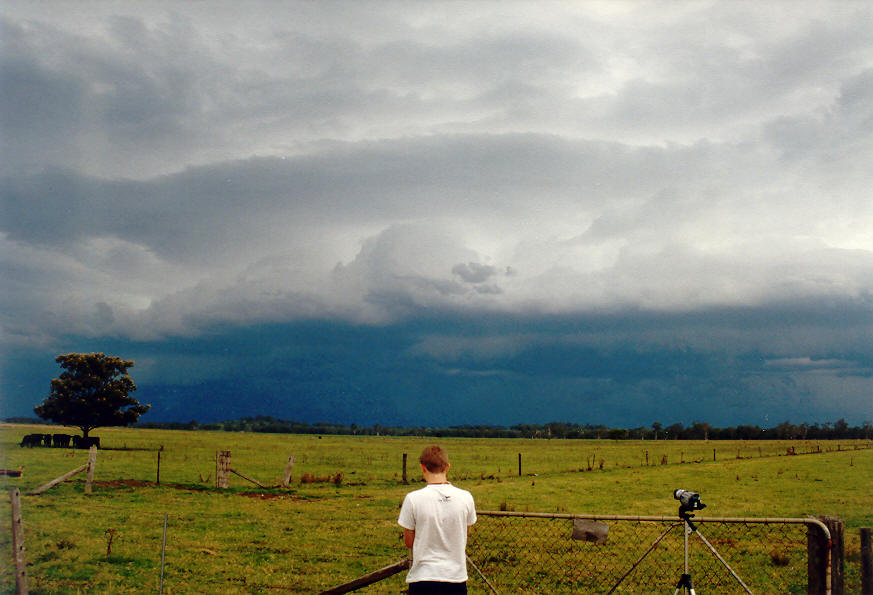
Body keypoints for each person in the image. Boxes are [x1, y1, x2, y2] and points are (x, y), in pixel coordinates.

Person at [398, 445, 477, 594]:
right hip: (456, 579)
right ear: (447, 467)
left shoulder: (412, 499)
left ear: (423, 467)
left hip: (423, 579)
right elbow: (465, 533)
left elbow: (409, 541)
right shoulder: (466, 497)